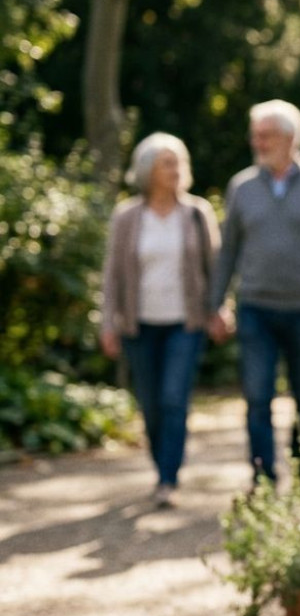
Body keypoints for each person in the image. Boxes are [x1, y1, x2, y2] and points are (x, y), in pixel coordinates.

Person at [208, 99, 300, 484]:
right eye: (255, 135)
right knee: (257, 398)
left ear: (290, 138)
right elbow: (227, 253)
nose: (258, 142)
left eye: (266, 135)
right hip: (256, 307)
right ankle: (264, 476)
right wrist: (217, 303)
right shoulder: (241, 187)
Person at [100, 132, 220, 508]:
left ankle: (169, 477)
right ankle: (161, 467)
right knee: (150, 404)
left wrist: (219, 309)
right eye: (167, 163)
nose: (175, 169)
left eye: (178, 162)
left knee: (173, 399)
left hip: (186, 323)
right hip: (139, 325)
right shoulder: (127, 217)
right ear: (148, 170)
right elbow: (112, 275)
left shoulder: (197, 213)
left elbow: (215, 269)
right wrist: (107, 322)